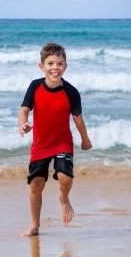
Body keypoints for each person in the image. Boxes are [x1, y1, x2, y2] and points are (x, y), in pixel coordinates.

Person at [18, 42, 92, 237]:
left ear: (65, 67)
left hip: (62, 142)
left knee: (65, 177)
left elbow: (78, 120)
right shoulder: (35, 86)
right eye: (50, 63)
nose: (55, 68)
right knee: (36, 184)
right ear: (41, 66)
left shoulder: (71, 92)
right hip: (40, 144)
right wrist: (23, 124)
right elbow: (24, 110)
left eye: (59, 64)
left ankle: (64, 199)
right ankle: (35, 225)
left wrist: (85, 140)